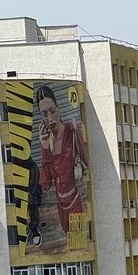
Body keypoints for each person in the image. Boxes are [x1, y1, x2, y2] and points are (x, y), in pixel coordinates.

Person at [35, 85, 89, 238]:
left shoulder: (71, 130)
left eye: (52, 110)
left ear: (58, 107)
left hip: (75, 201)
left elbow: (88, 163)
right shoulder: (46, 142)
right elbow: (45, 184)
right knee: (67, 241)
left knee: (78, 242)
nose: (50, 118)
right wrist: (45, 147)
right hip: (60, 206)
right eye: (44, 114)